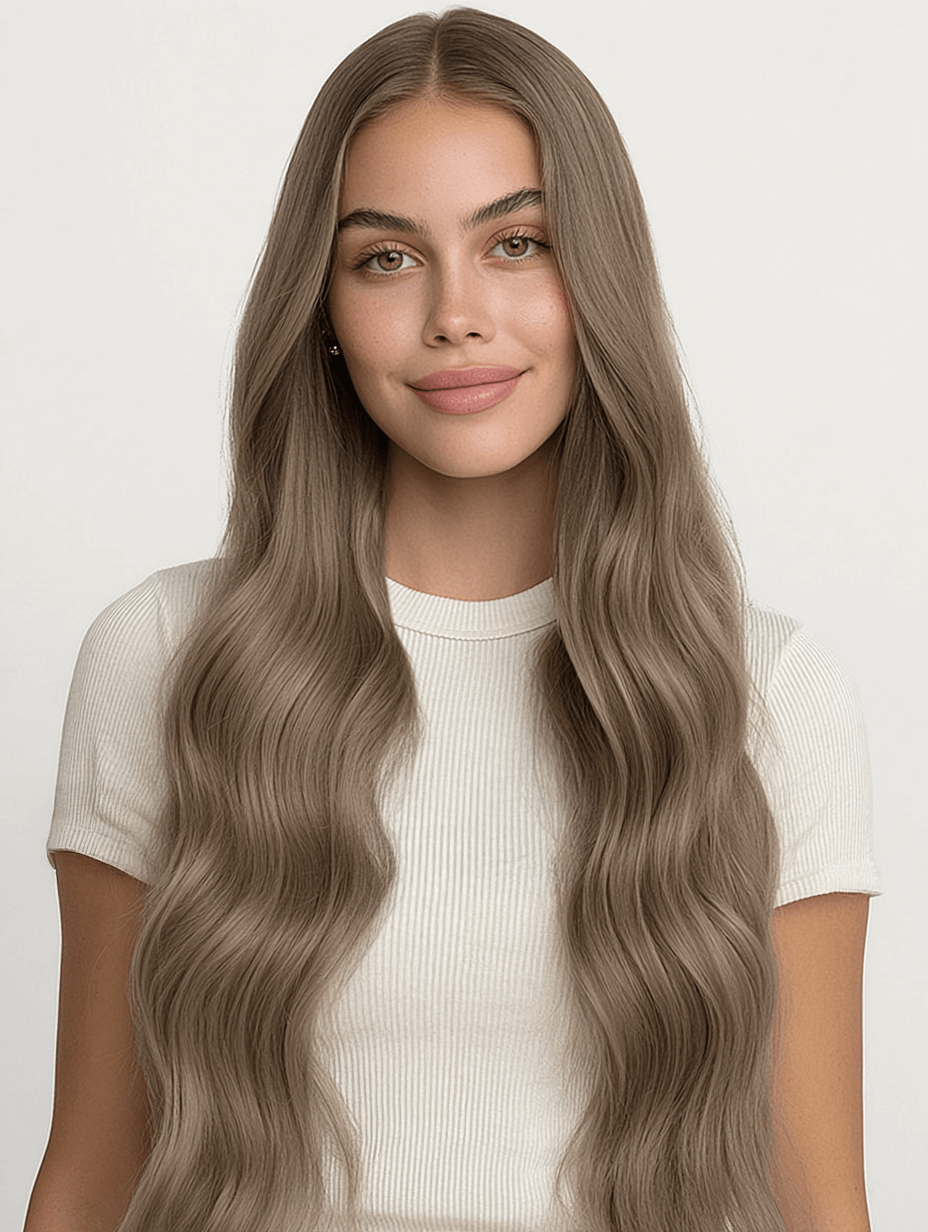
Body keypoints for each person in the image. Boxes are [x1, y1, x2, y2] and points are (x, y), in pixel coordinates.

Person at [24, 8, 882, 1232]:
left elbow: (819, 1204)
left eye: (517, 243)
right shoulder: (165, 658)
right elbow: (89, 1183)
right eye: (386, 257)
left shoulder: (765, 691)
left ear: (602, 281)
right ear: (319, 308)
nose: (455, 314)